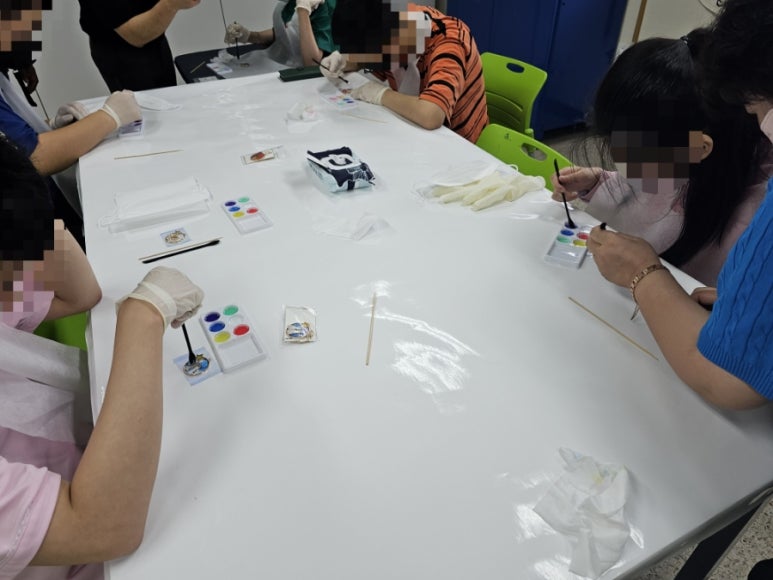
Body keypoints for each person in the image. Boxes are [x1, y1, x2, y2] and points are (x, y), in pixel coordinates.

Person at [0, 136, 205, 578]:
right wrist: (143, 315)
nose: (16, 286)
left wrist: (28, 213)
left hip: (105, 462)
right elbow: (101, 529)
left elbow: (79, 294)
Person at [586, 0, 772, 411]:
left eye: (759, 109)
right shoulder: (691, 163)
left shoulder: (751, 219)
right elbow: (644, 189)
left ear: (700, 148)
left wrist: (643, 273)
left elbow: (729, 379)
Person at [551, 30, 772, 287]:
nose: (625, 170)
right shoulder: (685, 153)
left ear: (700, 148)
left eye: (633, 159)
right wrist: (597, 182)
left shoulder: (753, 224)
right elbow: (656, 186)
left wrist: (646, 275)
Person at [319, 0, 488, 143]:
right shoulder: (395, 31)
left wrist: (380, 95)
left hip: (458, 145)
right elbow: (369, 57)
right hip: (414, 131)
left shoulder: (450, 41)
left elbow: (431, 115)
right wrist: (343, 61)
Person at [77, 0, 201, 92]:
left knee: (169, 100)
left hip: (154, 40)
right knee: (145, 112)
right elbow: (136, 36)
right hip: (122, 51)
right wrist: (170, 4)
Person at [224, 0, 338, 68]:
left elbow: (312, 63)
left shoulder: (321, 4)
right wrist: (250, 36)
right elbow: (288, 32)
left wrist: (303, 11)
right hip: (282, 65)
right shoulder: (288, 3)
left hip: (308, 75)